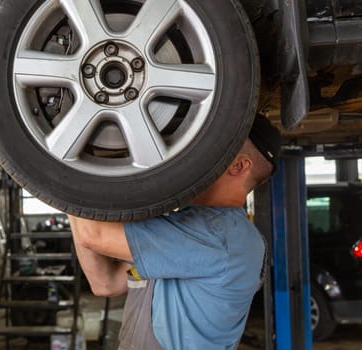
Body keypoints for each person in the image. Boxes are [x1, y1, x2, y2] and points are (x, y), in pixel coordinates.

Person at [68, 114, 282, 349]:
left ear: (238, 165)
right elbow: (105, 283)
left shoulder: (216, 234)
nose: (196, 157)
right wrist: (63, 196)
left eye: (214, 150)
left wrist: (62, 162)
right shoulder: (194, 235)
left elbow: (94, 235)